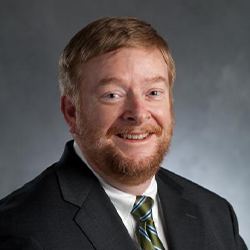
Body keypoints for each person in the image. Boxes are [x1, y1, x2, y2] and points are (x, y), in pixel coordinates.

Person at [0, 17, 247, 250]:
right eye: (112, 95)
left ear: (170, 102)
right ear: (72, 112)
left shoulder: (216, 215)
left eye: (153, 93)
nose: (139, 114)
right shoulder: (20, 230)